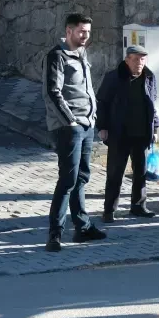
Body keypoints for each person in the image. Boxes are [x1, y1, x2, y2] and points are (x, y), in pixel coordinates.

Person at [42, 13, 106, 252]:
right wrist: (70, 121)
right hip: (69, 127)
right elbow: (52, 92)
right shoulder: (56, 56)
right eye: (81, 32)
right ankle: (54, 234)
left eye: (88, 32)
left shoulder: (81, 54)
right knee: (68, 180)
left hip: (87, 125)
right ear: (68, 31)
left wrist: (93, 117)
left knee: (82, 178)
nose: (85, 36)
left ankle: (83, 227)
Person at [97, 45, 159, 222]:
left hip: (141, 134)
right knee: (115, 173)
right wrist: (102, 127)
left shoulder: (149, 77)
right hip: (119, 133)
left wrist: (154, 128)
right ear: (127, 60)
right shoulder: (113, 77)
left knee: (141, 172)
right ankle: (109, 210)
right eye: (136, 58)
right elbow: (102, 103)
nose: (140, 62)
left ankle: (139, 206)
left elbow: (152, 105)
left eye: (143, 59)